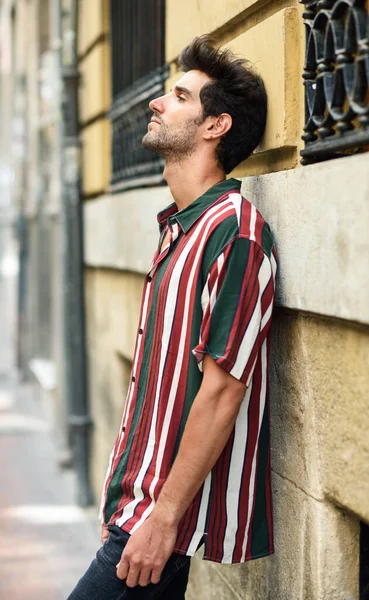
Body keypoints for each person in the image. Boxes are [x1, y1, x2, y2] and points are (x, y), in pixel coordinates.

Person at [68, 35, 277, 600]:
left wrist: (162, 520)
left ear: (216, 126)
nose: (158, 104)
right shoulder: (181, 228)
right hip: (137, 510)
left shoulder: (234, 232)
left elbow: (222, 393)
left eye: (180, 96)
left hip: (160, 522)